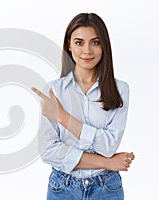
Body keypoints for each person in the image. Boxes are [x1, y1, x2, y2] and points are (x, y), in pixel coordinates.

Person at [31, 13, 135, 199]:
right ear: (69, 45)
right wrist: (106, 162)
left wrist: (62, 117)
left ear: (104, 46)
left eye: (95, 42)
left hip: (106, 188)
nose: (87, 50)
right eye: (79, 42)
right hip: (63, 188)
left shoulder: (121, 90)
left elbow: (109, 146)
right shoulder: (54, 90)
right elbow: (49, 151)